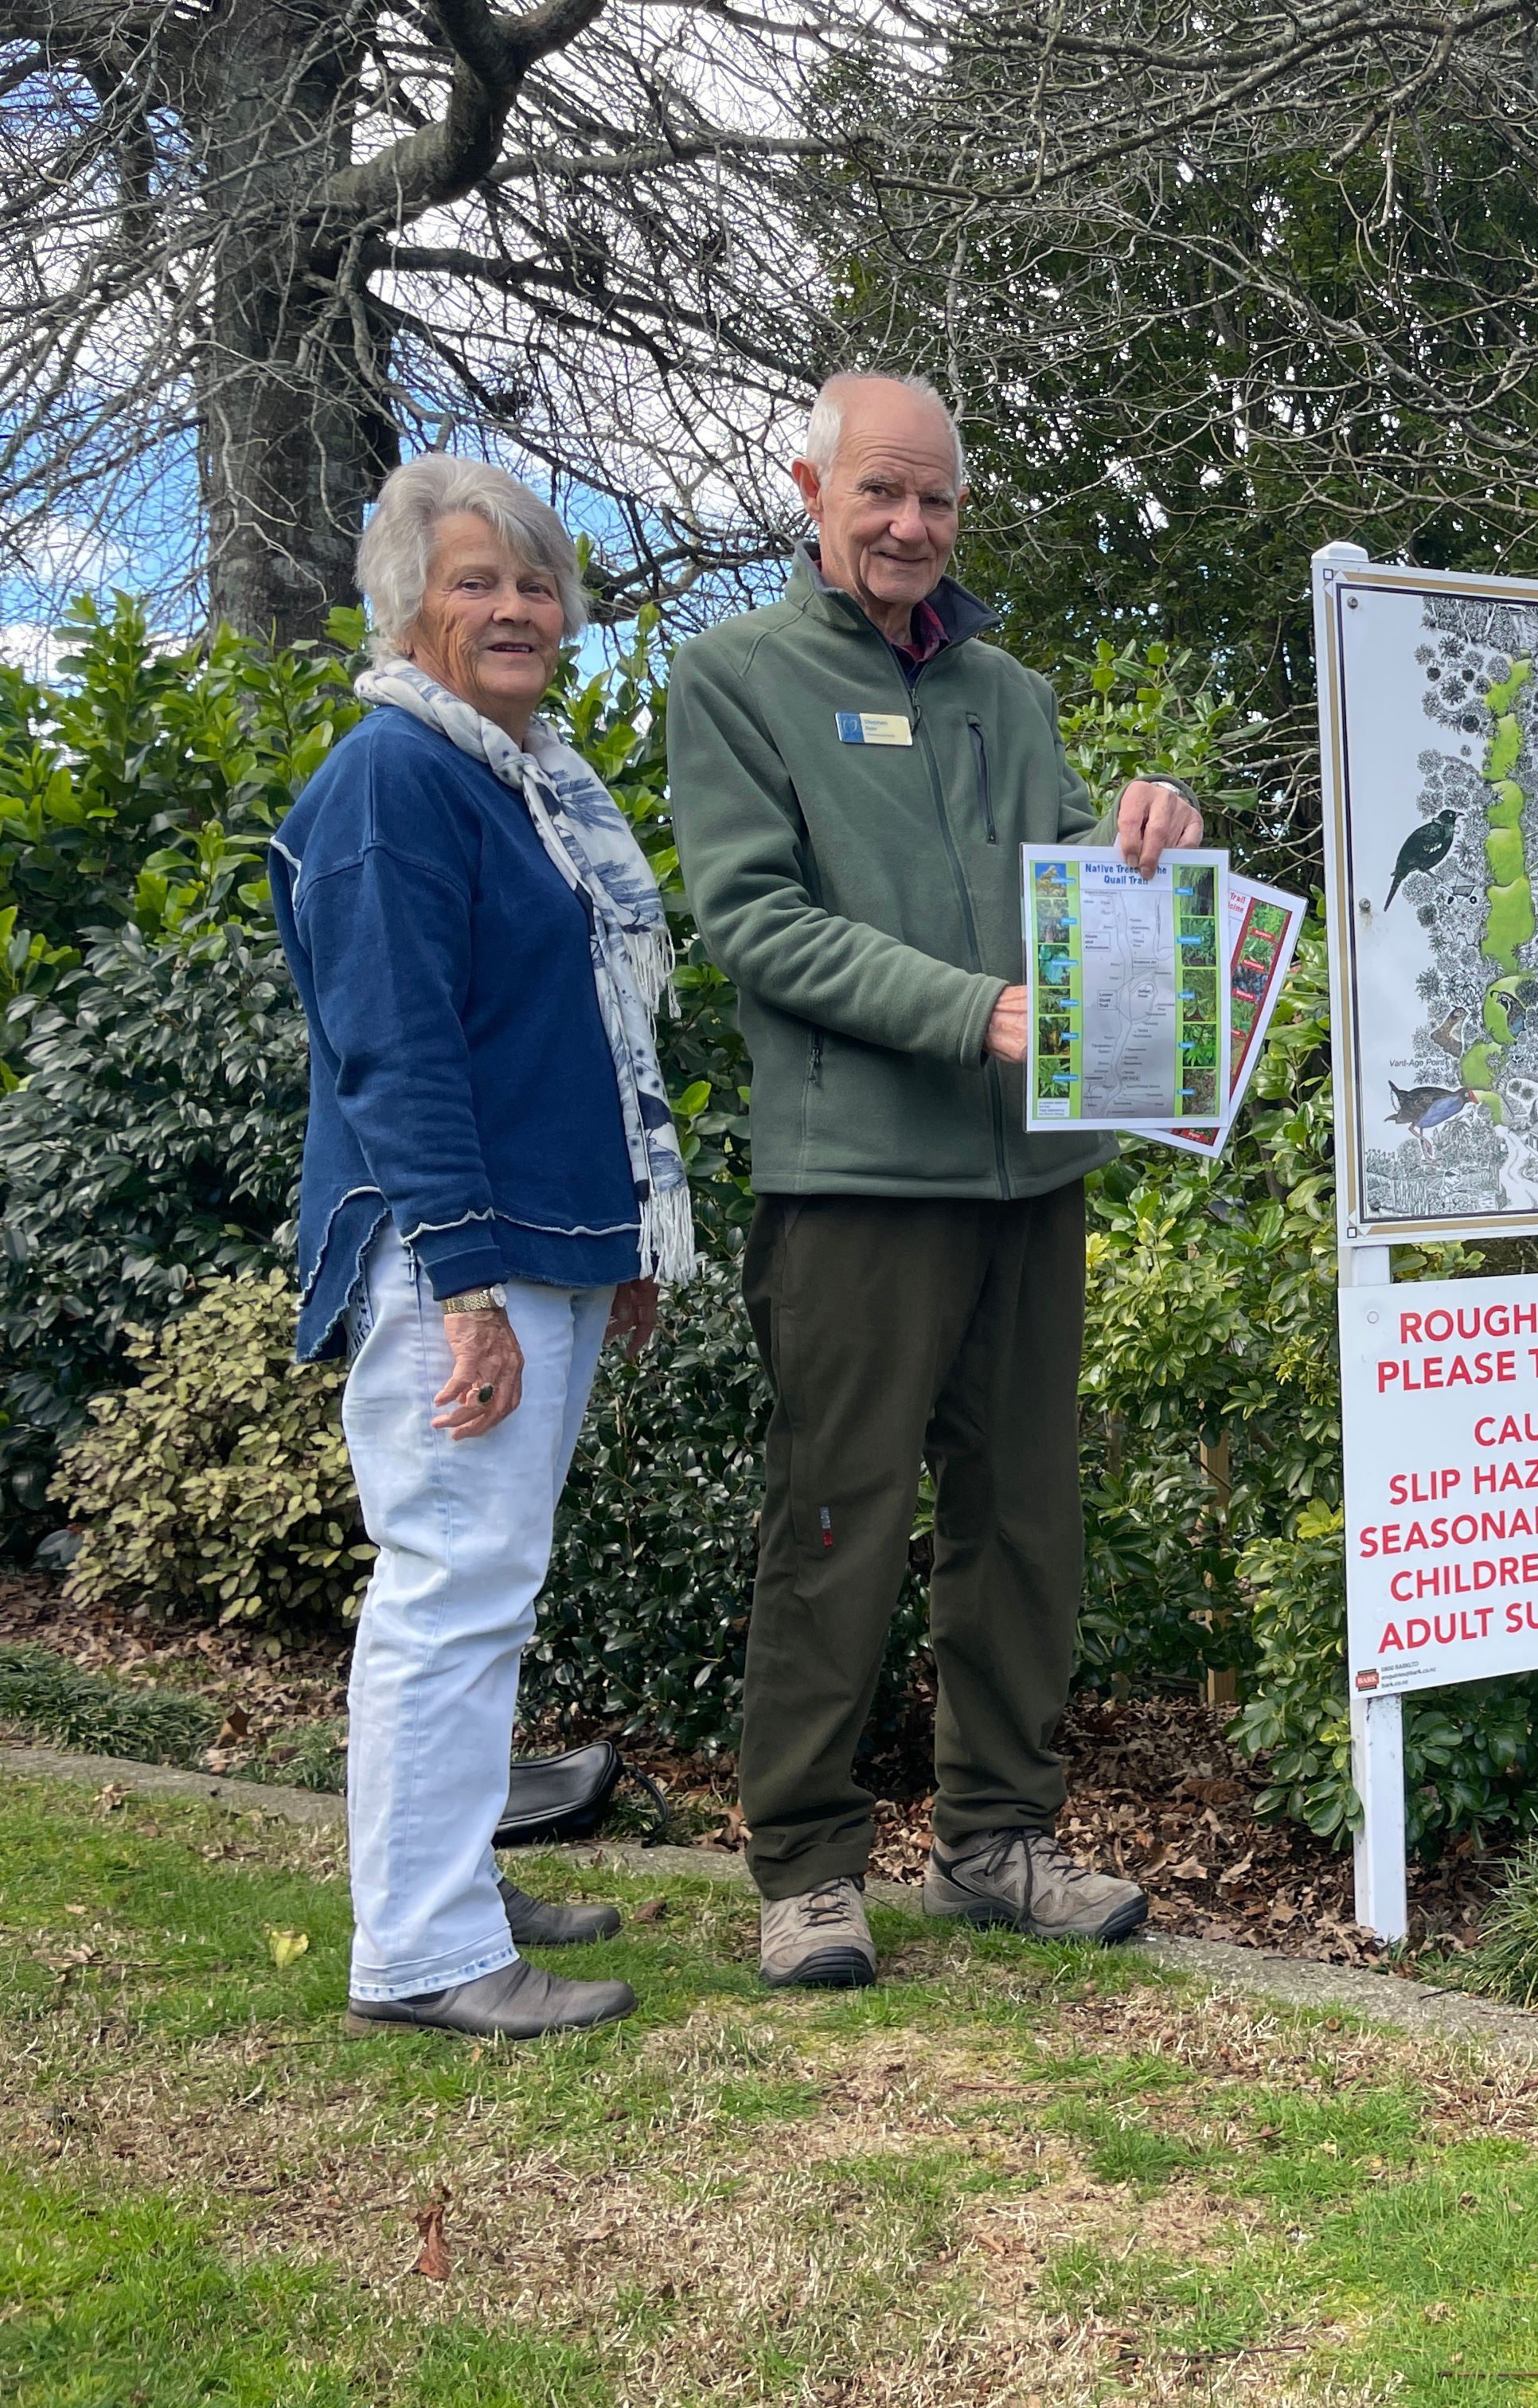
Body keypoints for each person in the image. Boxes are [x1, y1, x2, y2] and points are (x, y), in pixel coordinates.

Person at [667, 371, 1203, 1990]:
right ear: (808, 491)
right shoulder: (733, 677)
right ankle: (810, 1865)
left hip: (1032, 1177)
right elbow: (752, 921)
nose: (910, 525)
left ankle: (997, 1837)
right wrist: (973, 1012)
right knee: (840, 1514)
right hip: (860, 1179)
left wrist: (1149, 830)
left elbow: (1078, 889)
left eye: (938, 499)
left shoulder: (1008, 693)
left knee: (1025, 1516)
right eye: (879, 493)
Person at [271, 455, 697, 2039]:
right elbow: (400, 1055)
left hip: (545, 1249)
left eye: (534, 584)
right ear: (405, 607)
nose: (515, 610)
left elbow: (572, 1042)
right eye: (476, 582)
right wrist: (464, 1287)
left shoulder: (520, 782)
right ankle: (428, 1954)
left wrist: (629, 1242)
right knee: (449, 1587)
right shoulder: (396, 781)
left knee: (482, 1589)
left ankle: (446, 1884)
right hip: (461, 1263)